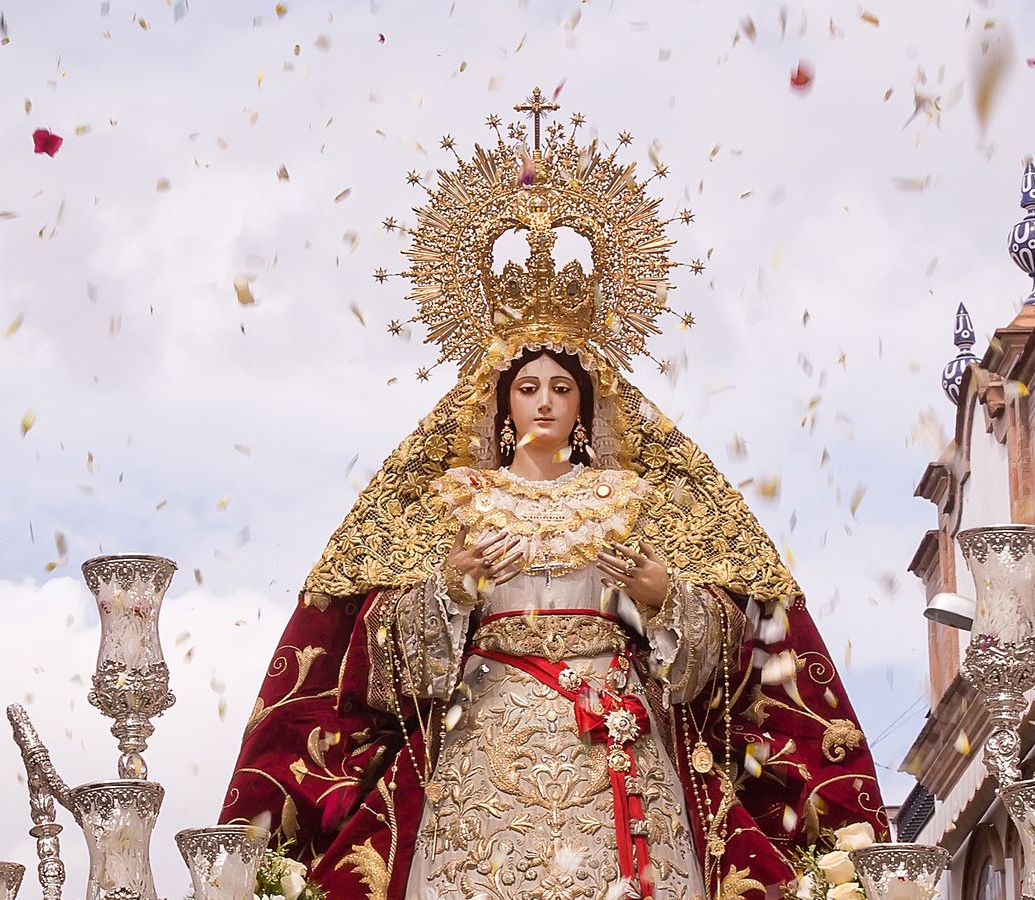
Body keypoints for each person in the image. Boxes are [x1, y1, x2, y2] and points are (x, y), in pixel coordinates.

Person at [222, 92, 886, 900]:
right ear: (502, 403)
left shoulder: (636, 498)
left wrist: (665, 597)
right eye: (527, 385)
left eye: (560, 387)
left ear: (584, 403)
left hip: (617, 744)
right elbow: (378, 669)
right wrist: (446, 593)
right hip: (485, 750)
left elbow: (726, 662)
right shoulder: (452, 500)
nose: (542, 399)